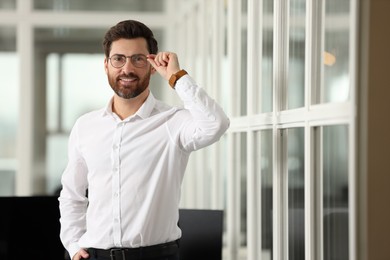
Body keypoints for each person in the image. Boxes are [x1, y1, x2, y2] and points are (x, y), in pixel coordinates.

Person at [58, 20, 229, 260]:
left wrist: (177, 77)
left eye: (138, 59)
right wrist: (73, 245)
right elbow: (72, 195)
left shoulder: (173, 122)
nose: (127, 68)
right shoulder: (85, 126)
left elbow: (216, 124)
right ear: (106, 65)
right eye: (118, 59)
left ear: (151, 66)